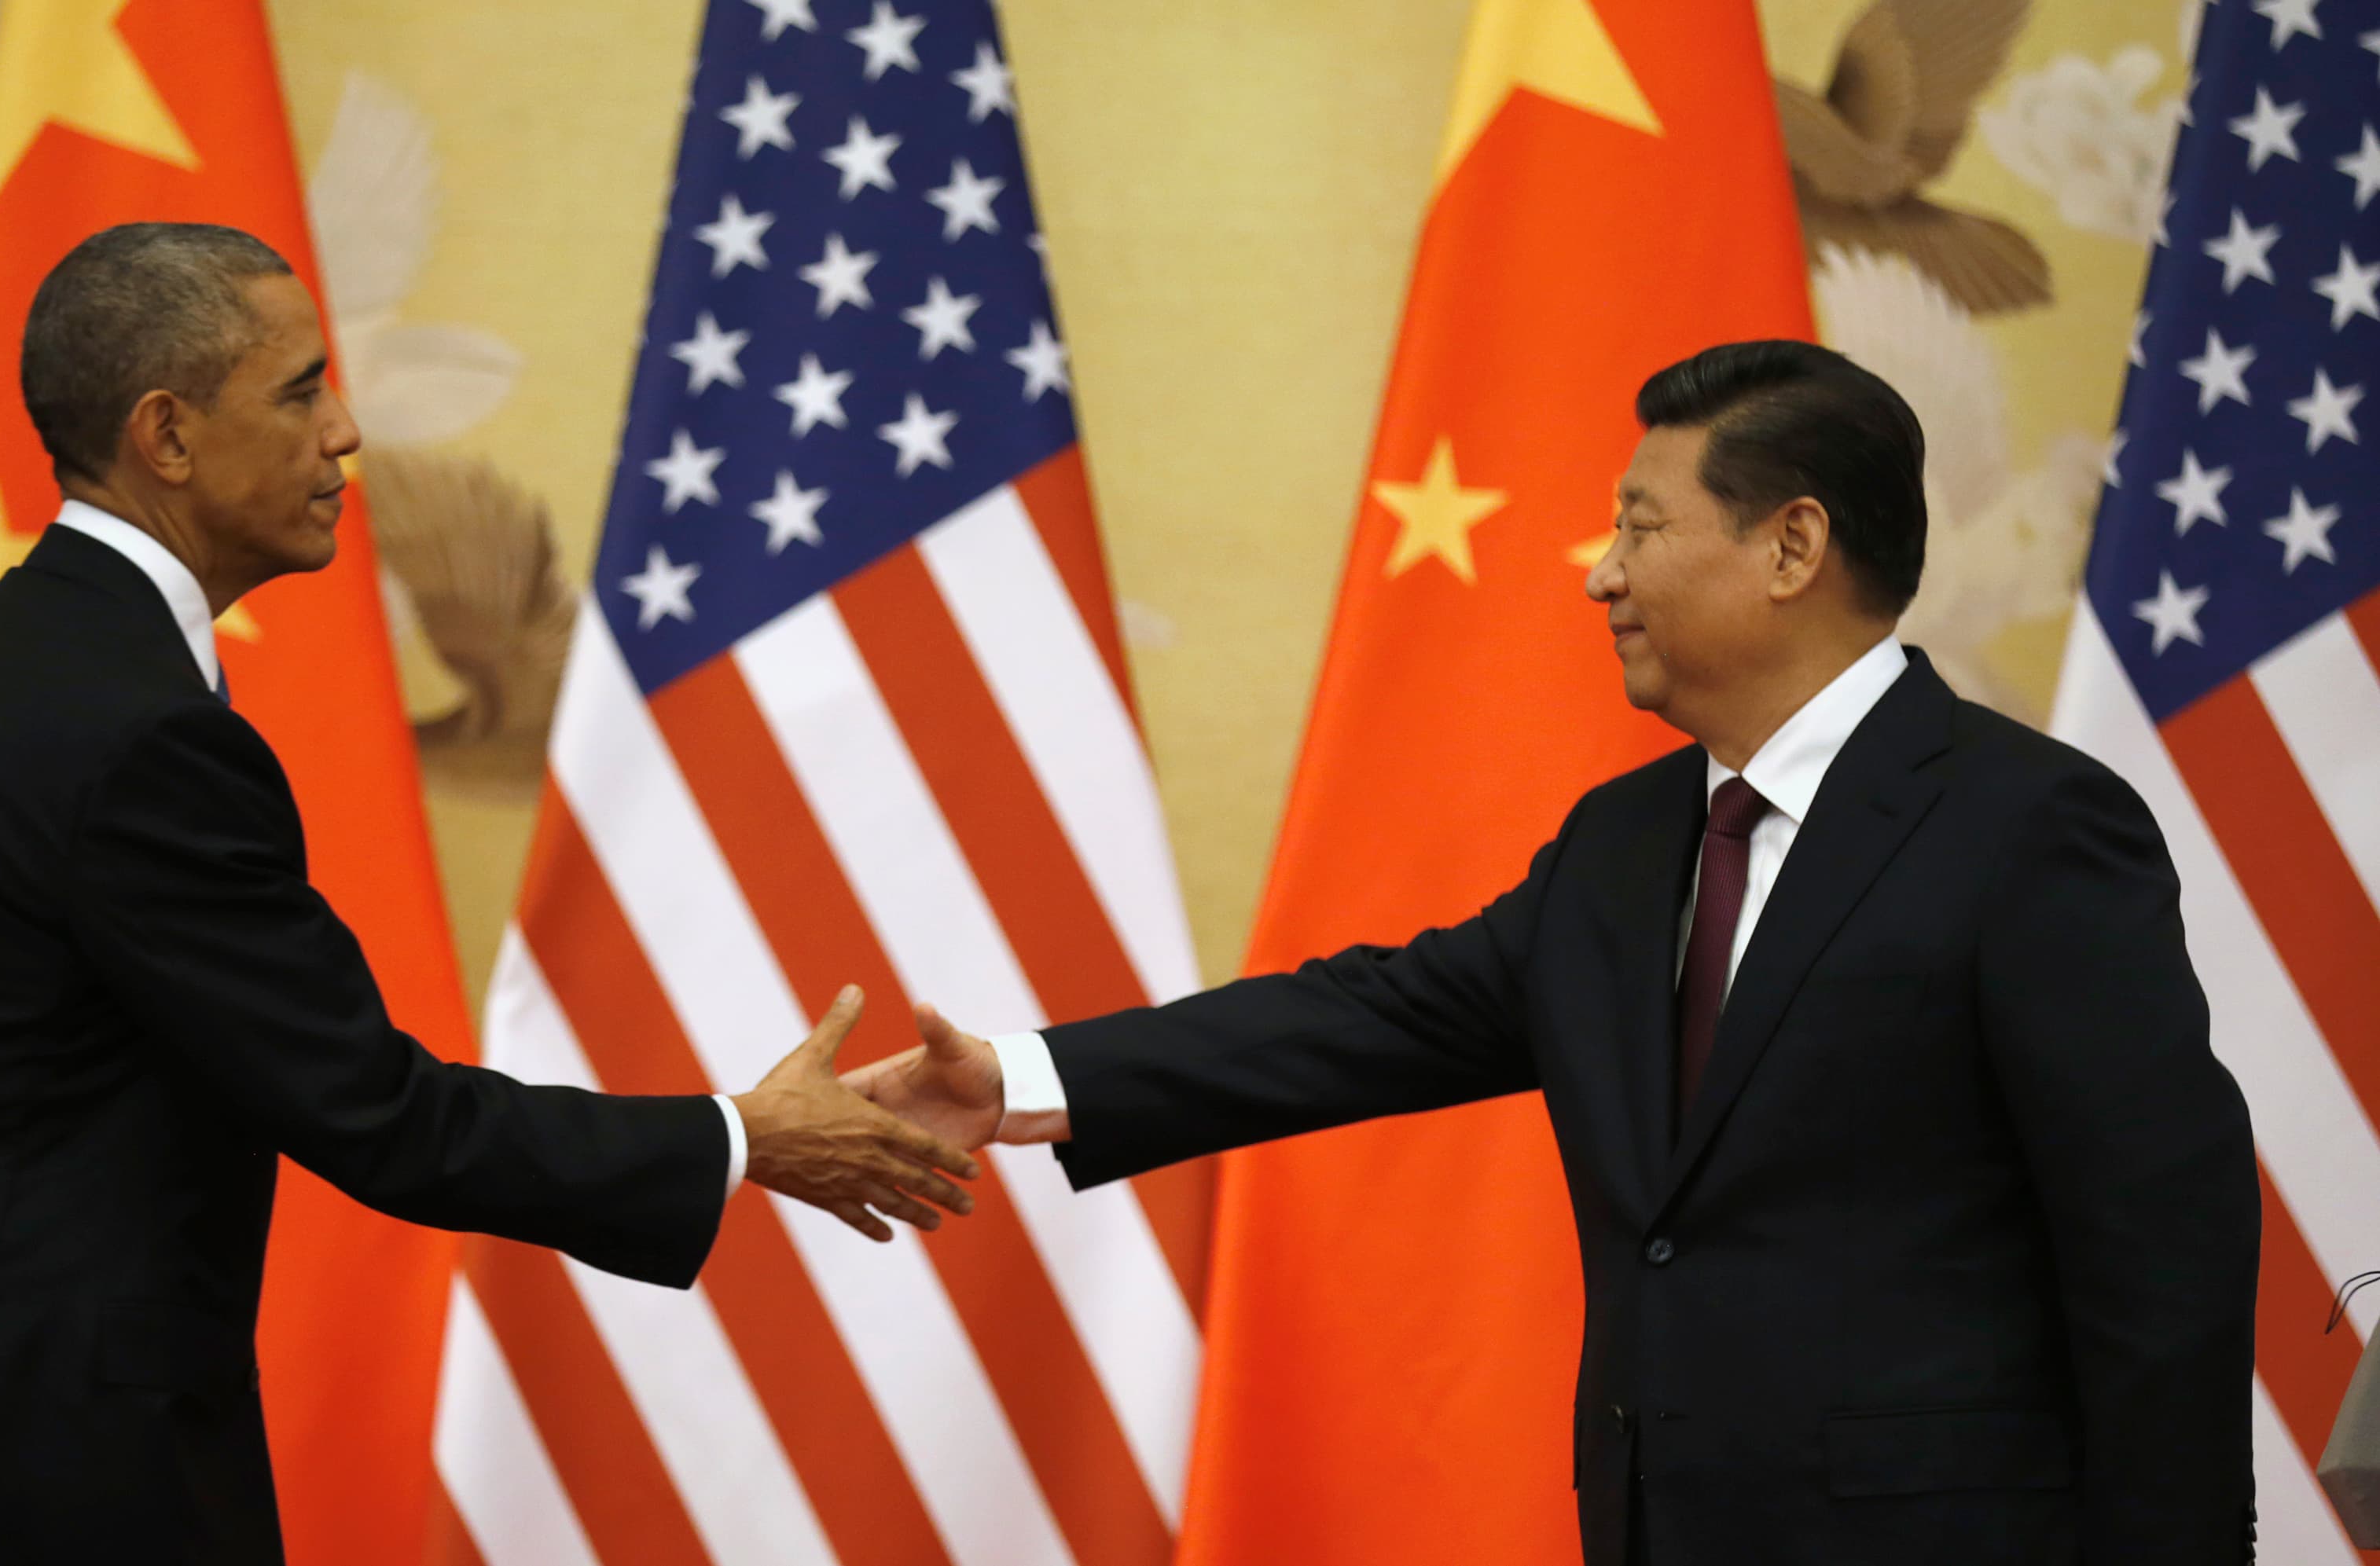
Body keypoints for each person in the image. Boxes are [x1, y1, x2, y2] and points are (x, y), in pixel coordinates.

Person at [854, 340, 2261, 1566]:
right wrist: (1017, 1079)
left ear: (1791, 546)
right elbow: (1374, 1016)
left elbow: (2164, 1261)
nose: (1601, 575)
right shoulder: (1629, 841)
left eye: (1641, 526)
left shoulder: (2027, 824)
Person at [0, 222, 978, 1565]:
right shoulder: (140, 734)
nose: (346, 431)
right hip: (75, 1474)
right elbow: (381, 1114)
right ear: (167, 436)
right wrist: (739, 1137)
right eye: (300, 391)